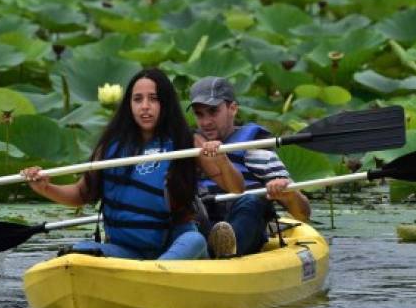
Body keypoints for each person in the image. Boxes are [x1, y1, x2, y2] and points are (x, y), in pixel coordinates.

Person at [21, 68, 244, 260]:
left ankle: (158, 273)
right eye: (138, 99)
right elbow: (81, 194)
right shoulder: (111, 147)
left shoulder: (187, 142)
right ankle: (144, 274)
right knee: (79, 251)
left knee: (195, 240)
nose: (144, 107)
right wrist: (46, 187)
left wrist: (222, 160)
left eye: (153, 99)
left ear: (165, 104)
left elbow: (236, 188)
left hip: (175, 245)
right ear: (129, 105)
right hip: (125, 250)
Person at [189, 76, 311, 257]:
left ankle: (224, 249)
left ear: (233, 109)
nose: (206, 122)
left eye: (213, 111)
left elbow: (303, 214)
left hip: (246, 237)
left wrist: (288, 193)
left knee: (251, 200)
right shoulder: (190, 150)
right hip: (202, 227)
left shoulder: (258, 154)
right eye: (199, 114)